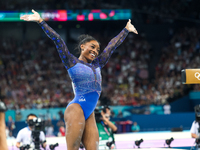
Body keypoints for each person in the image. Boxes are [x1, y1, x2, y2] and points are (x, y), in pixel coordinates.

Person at [20, 9, 138, 150]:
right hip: (76, 108)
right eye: (92, 47)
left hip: (90, 113)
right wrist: (41, 21)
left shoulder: (98, 64)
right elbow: (57, 39)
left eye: (97, 49)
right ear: (82, 46)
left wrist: (126, 30)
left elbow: (111, 46)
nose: (95, 51)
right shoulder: (72, 62)